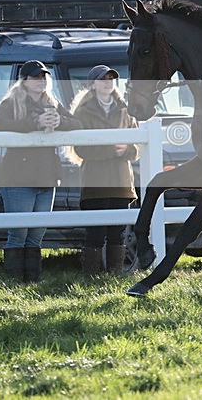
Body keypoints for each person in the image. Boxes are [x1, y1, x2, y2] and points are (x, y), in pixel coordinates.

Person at [0, 60, 81, 282]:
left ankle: (32, 281)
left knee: (37, 234)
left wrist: (60, 121)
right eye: (35, 77)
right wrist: (34, 122)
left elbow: (77, 124)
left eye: (43, 76)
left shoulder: (52, 101)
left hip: (47, 175)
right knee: (18, 232)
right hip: (17, 176)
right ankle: (14, 283)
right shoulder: (10, 102)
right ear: (24, 80)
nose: (41, 81)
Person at [69, 65, 139, 275]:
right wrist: (111, 149)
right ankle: (91, 276)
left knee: (118, 233)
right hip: (95, 180)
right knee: (95, 232)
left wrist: (127, 149)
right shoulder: (83, 111)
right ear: (93, 84)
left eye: (111, 78)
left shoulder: (125, 109)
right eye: (102, 79)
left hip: (121, 180)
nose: (108, 82)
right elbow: (81, 148)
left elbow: (137, 147)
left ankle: (114, 275)